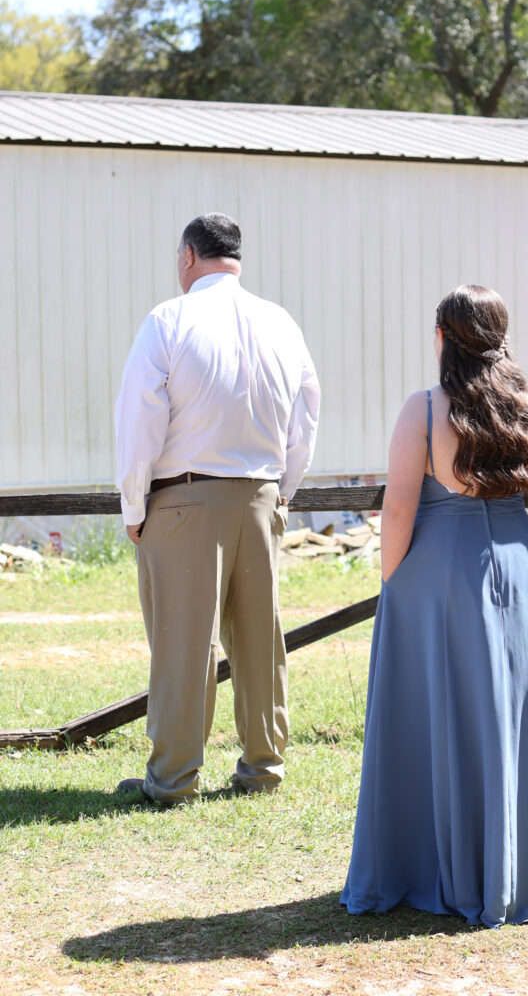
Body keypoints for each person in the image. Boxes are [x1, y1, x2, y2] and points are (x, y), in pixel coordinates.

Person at [341, 284, 528, 927]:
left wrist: (395, 581)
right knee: (519, 718)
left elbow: (398, 506)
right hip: (515, 571)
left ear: (442, 338)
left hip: (434, 578)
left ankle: (428, 868)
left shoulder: (425, 410)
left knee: (433, 715)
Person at [114, 212, 320, 803]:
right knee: (260, 639)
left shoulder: (168, 320)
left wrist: (135, 501)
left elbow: (140, 420)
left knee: (184, 640)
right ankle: (263, 767)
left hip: (183, 498)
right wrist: (283, 490)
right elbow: (306, 415)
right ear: (236, 256)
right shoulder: (280, 322)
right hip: (260, 492)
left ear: (187, 256)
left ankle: (174, 777)